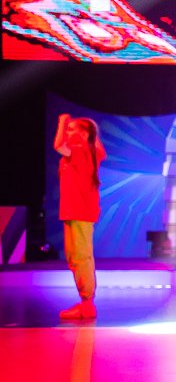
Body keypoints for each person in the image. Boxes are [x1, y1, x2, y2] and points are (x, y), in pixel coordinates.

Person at [53, 114, 105, 321]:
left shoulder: (81, 151)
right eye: (67, 129)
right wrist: (89, 129)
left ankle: (87, 304)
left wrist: (62, 121)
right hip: (72, 211)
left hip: (80, 211)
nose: (67, 133)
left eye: (71, 129)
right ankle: (85, 303)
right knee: (75, 257)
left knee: (81, 257)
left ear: (83, 135)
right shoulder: (84, 151)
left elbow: (58, 145)